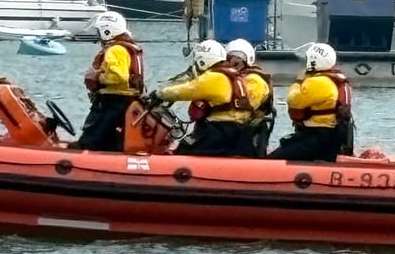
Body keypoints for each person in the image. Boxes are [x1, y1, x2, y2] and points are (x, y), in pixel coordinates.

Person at [150, 39, 266, 156]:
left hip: (218, 133)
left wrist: (159, 93)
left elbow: (184, 90)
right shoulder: (237, 78)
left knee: (183, 150)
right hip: (239, 133)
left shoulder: (214, 77)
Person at [268, 42, 354, 162]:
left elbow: (294, 100)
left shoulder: (318, 82)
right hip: (330, 136)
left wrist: (298, 81)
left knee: (273, 159)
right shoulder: (334, 80)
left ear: (314, 61)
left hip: (317, 138)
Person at [76, 11, 145, 151]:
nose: (98, 35)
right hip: (125, 101)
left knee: (91, 137)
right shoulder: (124, 47)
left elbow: (120, 76)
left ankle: (82, 152)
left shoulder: (115, 50)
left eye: (99, 31)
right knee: (109, 138)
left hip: (113, 102)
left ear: (107, 31)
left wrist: (97, 77)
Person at [225, 38, 275, 157]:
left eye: (236, 62)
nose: (232, 65)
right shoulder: (228, 79)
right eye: (229, 60)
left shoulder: (255, 80)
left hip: (250, 129)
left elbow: (248, 106)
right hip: (234, 127)